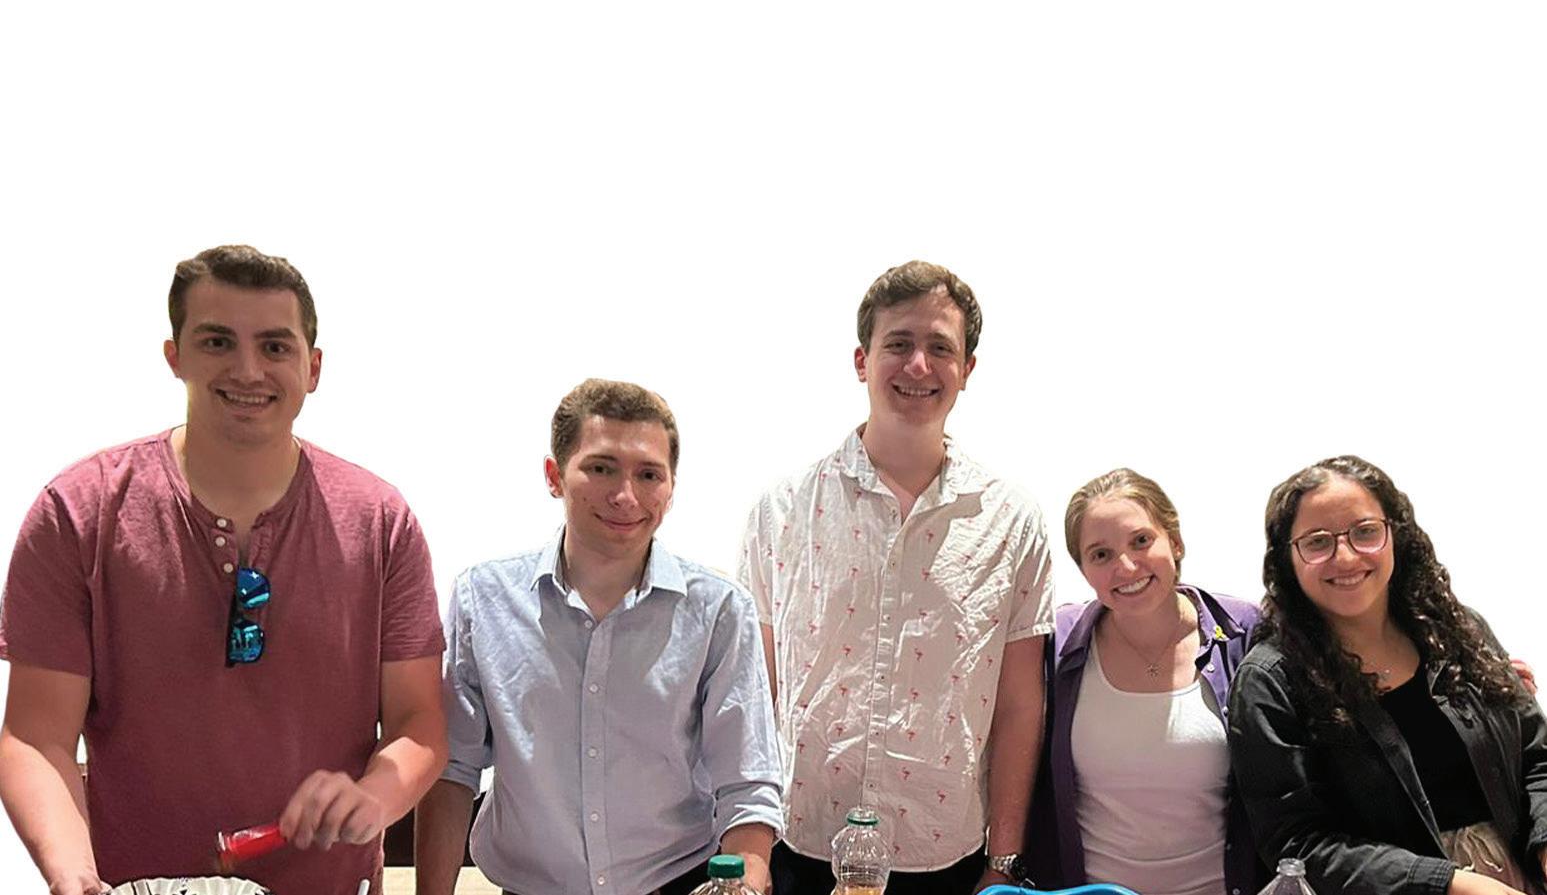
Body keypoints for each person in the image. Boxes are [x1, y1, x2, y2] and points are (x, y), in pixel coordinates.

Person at [0, 245, 448, 895]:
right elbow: (36, 736)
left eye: (274, 346)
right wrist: (73, 875)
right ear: (174, 355)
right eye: (216, 341)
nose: (247, 369)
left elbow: (418, 723)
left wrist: (375, 794)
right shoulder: (78, 513)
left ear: (312, 368)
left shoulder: (381, 521)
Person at [739, 260, 1054, 895]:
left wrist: (1004, 861)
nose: (918, 365)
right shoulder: (783, 510)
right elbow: (754, 691)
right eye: (899, 344)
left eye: (940, 348)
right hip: (802, 843)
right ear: (862, 361)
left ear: (966, 369)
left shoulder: (1012, 520)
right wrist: (751, 848)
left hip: (945, 853)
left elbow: (1020, 704)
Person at [415, 379, 782, 895]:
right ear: (554, 476)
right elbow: (453, 769)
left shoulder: (720, 611)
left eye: (648, 474)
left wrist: (743, 885)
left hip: (677, 882)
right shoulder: (484, 600)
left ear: (671, 488)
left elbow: (747, 786)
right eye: (601, 468)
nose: (625, 496)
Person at [1228, 455, 1547, 895]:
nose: (1345, 557)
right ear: (1287, 558)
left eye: (1365, 532)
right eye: (1317, 542)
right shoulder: (1270, 682)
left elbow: (1536, 756)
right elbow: (1297, 841)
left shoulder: (1459, 631)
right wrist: (1449, 884)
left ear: (1395, 533)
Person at [1027, 468, 1264, 895]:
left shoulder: (1244, 633)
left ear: (1175, 542)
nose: (1126, 566)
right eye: (1101, 554)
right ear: (1083, 570)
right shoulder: (1056, 643)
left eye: (1141, 541)